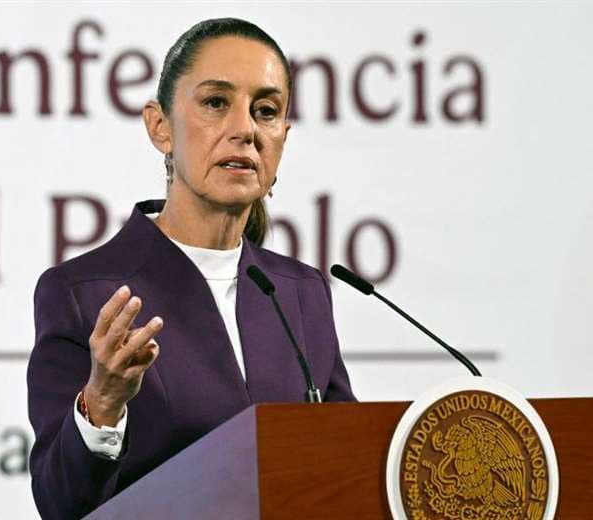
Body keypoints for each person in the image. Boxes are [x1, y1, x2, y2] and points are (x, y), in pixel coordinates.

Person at [27, 17, 356, 519]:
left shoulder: (300, 292)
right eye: (216, 103)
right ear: (160, 127)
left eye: (266, 111)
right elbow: (60, 505)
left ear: (283, 137)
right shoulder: (84, 293)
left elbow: (348, 466)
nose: (244, 129)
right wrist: (101, 405)